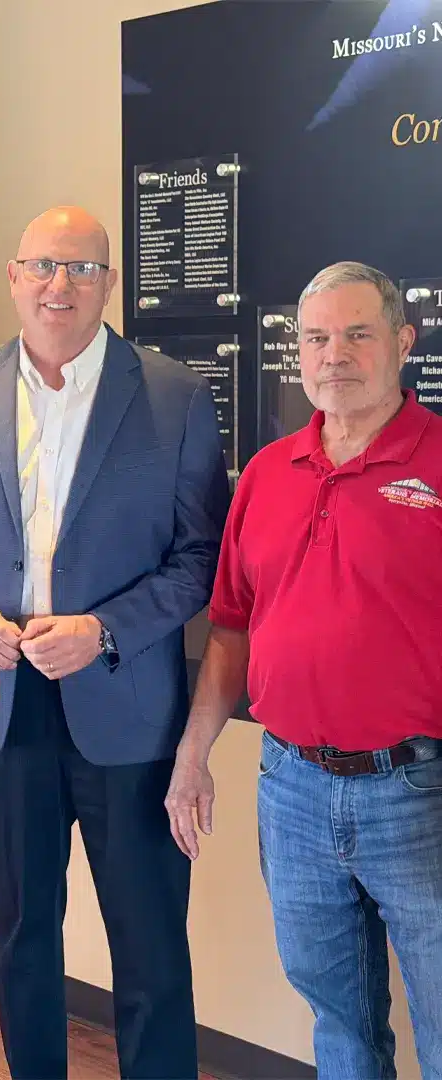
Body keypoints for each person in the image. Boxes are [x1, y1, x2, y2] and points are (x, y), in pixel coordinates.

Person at [0, 206, 230, 1080]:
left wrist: (106, 630)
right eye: (44, 266)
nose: (61, 285)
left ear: (109, 285)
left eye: (83, 269)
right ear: (14, 277)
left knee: (151, 946)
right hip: (2, 715)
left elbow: (203, 559)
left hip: (129, 717)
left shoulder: (172, 395)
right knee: (19, 939)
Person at [166, 261, 442, 1079]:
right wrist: (193, 756)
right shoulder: (266, 474)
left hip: (417, 791)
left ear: (402, 341)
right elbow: (231, 630)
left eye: (358, 334)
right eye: (316, 338)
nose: (335, 355)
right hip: (292, 789)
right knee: (339, 1020)